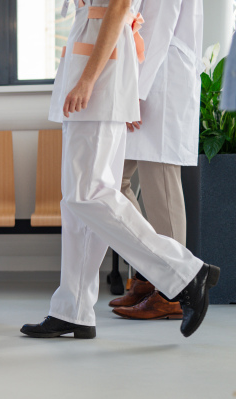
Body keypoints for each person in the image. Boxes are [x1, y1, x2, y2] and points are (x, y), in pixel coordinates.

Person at [21, 0, 219, 339]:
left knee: (90, 194)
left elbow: (119, 5)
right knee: (76, 203)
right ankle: (73, 309)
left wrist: (87, 79)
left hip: (100, 76)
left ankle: (185, 273)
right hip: (91, 65)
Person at [110, 0, 205, 320]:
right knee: (111, 182)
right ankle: (154, 272)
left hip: (160, 81)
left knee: (160, 185)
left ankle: (173, 293)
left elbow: (160, 26)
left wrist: (135, 91)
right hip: (148, 74)